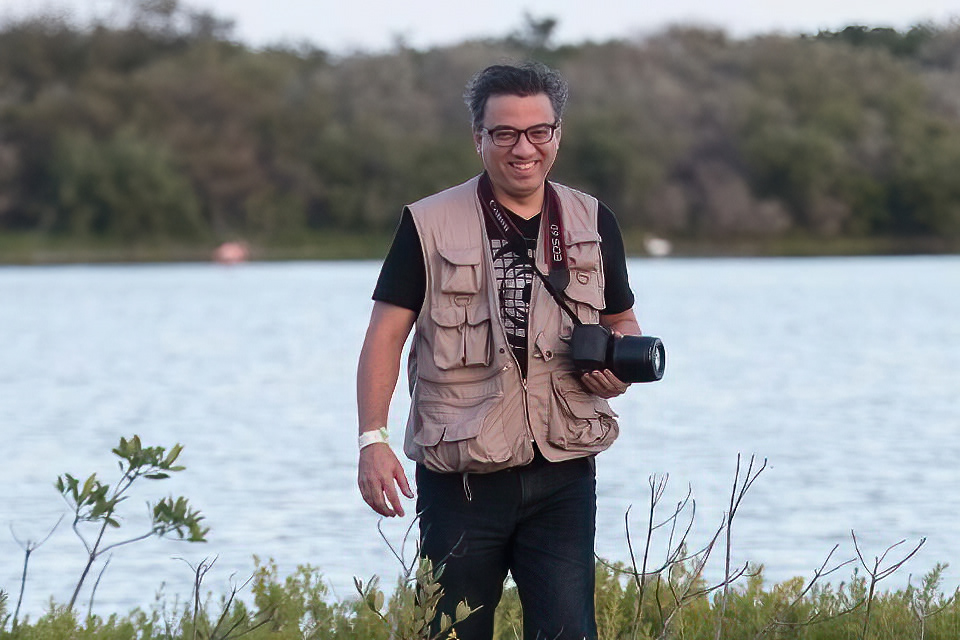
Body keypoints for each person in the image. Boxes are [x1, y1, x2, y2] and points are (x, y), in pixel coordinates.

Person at [356, 61, 641, 640]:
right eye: (505, 133)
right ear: (478, 138)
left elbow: (622, 319)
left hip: (564, 470)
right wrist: (372, 441)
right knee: (449, 633)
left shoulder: (592, 218)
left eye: (539, 131)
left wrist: (621, 362)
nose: (523, 148)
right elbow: (385, 334)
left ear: (557, 135)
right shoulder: (426, 223)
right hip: (460, 474)